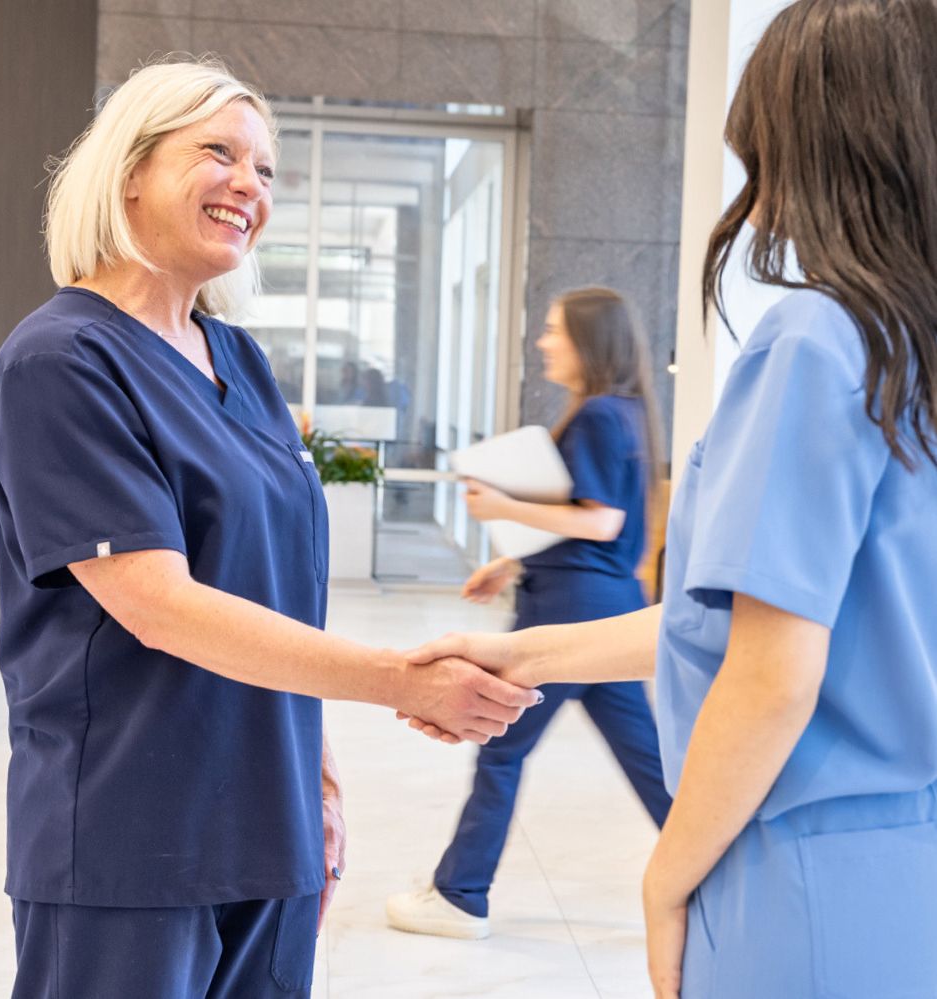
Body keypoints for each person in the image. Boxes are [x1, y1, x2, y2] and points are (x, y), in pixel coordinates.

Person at [402, 1, 937, 996]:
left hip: (795, 864)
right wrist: (520, 653)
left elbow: (772, 672)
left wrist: (665, 880)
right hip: (905, 863)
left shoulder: (814, 343)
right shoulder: (908, 354)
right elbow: (737, 619)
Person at [0, 59, 539, 999]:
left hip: (267, 823)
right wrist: (399, 680)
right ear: (127, 170)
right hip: (131, 837)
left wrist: (313, 777)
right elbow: (161, 607)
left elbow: (278, 583)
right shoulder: (60, 361)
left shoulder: (238, 357)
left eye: (268, 170)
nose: (251, 184)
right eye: (219, 153)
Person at [387, 288, 672, 940]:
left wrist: (502, 508)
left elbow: (602, 520)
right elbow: (586, 519)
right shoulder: (622, 411)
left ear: (588, 340)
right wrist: (509, 563)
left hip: (572, 609)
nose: (543, 341)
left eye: (554, 330)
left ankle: (459, 897)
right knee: (649, 762)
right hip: (603, 603)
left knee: (500, 744)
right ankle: (723, 879)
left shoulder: (598, 415)